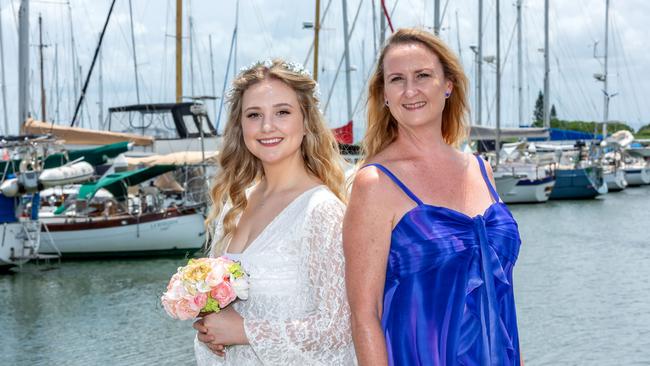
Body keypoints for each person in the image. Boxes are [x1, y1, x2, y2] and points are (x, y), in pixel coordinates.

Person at [343, 28, 523, 365]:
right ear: (384, 94)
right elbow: (365, 314)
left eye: (423, 75)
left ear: (448, 84)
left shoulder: (481, 170)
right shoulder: (376, 183)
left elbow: (504, 297)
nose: (410, 90)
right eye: (396, 79)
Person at [192, 59, 355, 365]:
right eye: (254, 115)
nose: (267, 126)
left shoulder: (321, 211)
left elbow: (338, 328)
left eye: (282, 112)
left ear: (306, 122)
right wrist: (209, 327)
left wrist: (245, 331)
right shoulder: (235, 204)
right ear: (240, 127)